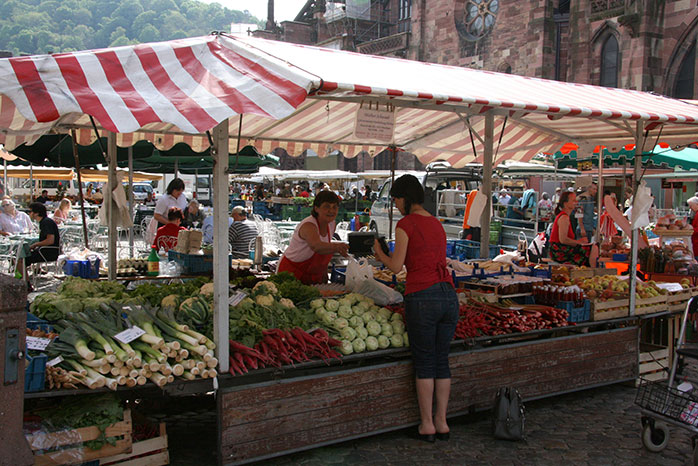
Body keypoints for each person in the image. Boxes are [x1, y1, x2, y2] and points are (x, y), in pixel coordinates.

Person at [372, 174, 458, 443]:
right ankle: (442, 422)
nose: (395, 205)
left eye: (396, 199)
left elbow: (396, 267)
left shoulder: (406, 224)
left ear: (405, 198)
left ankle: (427, 425)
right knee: (441, 361)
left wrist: (379, 253)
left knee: (424, 362)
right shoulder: (436, 223)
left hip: (423, 296)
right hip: (448, 295)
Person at [277, 191, 349, 284]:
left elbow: (324, 250)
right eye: (327, 206)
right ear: (316, 208)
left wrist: (324, 272)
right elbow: (317, 246)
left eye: (334, 207)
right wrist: (337, 247)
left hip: (311, 275)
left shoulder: (331, 224)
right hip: (291, 273)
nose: (331, 211)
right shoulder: (309, 225)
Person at [549, 191, 599, 267]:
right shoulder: (564, 218)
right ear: (566, 204)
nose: (576, 202)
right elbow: (563, 239)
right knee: (593, 248)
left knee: (592, 247)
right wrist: (579, 242)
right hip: (559, 251)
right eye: (573, 200)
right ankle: (592, 271)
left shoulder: (565, 216)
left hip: (561, 249)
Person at [24, 202, 60, 274]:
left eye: (30, 211)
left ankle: (24, 280)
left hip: (49, 252)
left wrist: (35, 244)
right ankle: (23, 276)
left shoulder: (46, 222)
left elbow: (50, 240)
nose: (29, 214)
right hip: (47, 251)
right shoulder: (44, 221)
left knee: (21, 258)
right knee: (22, 256)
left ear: (36, 213)